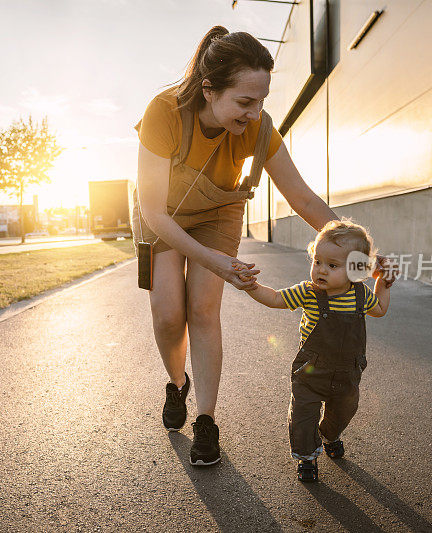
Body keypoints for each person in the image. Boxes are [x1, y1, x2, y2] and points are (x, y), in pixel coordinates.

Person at [133, 26, 391, 467]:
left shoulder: (258, 128)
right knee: (168, 312)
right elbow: (154, 212)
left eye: (262, 101)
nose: (255, 114)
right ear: (209, 90)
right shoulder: (165, 112)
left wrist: (359, 254)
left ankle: (206, 421)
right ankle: (177, 383)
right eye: (245, 102)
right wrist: (212, 259)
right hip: (164, 215)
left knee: (202, 309)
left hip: (218, 212)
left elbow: (304, 199)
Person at [239, 219, 393, 481]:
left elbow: (379, 309)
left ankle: (330, 435)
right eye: (317, 261)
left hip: (347, 373)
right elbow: (276, 298)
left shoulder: (361, 294)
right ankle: (307, 457)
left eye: (332, 266)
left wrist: (383, 284)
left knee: (344, 410)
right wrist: (252, 287)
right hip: (310, 372)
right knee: (302, 416)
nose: (321, 270)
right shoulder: (308, 292)